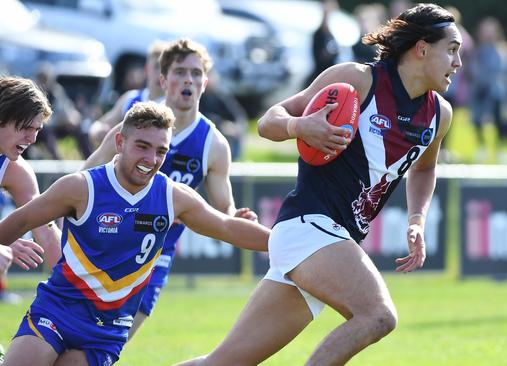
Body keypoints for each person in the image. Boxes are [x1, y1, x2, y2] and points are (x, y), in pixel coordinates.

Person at [176, 3, 460, 365]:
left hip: (328, 241)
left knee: (222, 363)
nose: (458, 63)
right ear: (422, 48)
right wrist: (300, 127)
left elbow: (423, 169)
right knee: (378, 315)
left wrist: (416, 219)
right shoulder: (358, 79)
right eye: (451, 50)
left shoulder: (440, 114)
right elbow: (269, 120)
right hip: (308, 227)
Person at [0, 101, 270, 366]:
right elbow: (20, 220)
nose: (151, 160)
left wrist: (287, 243)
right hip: (57, 312)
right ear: (120, 142)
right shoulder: (81, 188)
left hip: (105, 332)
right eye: (142, 146)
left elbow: (227, 227)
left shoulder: (172, 197)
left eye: (161, 151)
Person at [82, 38, 258, 341]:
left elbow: (223, 209)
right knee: (74, 340)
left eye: (196, 72)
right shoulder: (133, 125)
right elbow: (85, 177)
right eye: (179, 72)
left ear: (205, 83)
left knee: (110, 344)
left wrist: (236, 216)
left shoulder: (213, 145)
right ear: (163, 80)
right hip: (104, 245)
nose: (188, 79)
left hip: (153, 258)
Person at [0, 76, 63, 304]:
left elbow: (45, 232)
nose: (32, 138)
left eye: (37, 129)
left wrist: (79, 287)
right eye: (26, 127)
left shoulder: (15, 171)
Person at [88, 40, 167, 147]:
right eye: (157, 66)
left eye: (166, 68)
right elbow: (100, 124)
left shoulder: (172, 106)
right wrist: (99, 131)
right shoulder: (130, 97)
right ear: (147, 69)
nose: (160, 74)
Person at [468, 16, 507, 162]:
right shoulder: (478, 50)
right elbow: (473, 69)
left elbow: (505, 69)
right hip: (480, 90)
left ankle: (501, 150)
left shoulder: (503, 49)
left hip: (497, 90)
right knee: (477, 119)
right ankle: (481, 148)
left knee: (500, 120)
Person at [31, 64, 93, 159]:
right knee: (46, 130)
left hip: (59, 126)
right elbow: (36, 118)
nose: (44, 83)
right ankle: (57, 162)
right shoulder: (32, 95)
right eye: (42, 79)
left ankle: (89, 159)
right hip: (41, 129)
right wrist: (56, 121)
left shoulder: (56, 91)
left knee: (80, 129)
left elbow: (66, 107)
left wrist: (72, 118)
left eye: (46, 79)